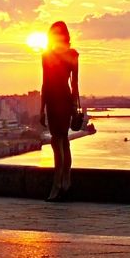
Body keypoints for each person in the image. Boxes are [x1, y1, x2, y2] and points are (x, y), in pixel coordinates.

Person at [39, 21, 79, 201]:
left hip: (61, 99)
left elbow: (74, 83)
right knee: (63, 142)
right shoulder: (48, 55)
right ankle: (66, 181)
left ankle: (57, 184)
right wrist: (41, 108)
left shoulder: (68, 55)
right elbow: (45, 82)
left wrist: (75, 105)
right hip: (55, 100)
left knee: (58, 140)